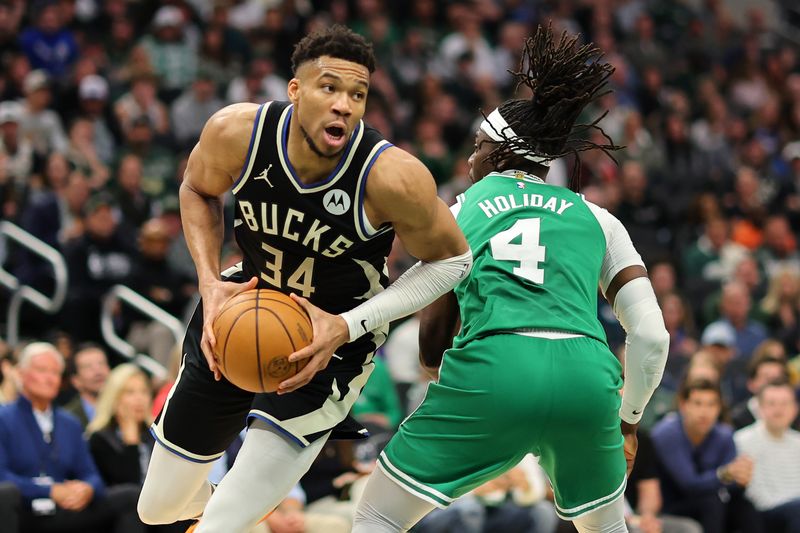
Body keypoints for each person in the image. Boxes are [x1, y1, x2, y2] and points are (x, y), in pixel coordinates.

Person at [137, 25, 470, 533]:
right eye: (329, 88)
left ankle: (236, 510)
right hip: (240, 310)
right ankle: (235, 505)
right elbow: (197, 188)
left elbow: (452, 262)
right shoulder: (237, 132)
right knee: (156, 509)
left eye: (357, 94)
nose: (344, 105)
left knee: (219, 528)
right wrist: (208, 280)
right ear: (295, 90)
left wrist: (352, 324)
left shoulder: (392, 176)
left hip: (328, 346)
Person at [352, 27, 669, 533]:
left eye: (478, 148)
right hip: (586, 379)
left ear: (501, 154)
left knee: (377, 514)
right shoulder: (599, 218)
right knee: (606, 528)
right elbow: (652, 337)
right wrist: (627, 422)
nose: (470, 160)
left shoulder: (462, 209)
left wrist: (439, 372)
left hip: (494, 371)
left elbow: (435, 322)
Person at [0, 342, 142, 533]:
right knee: (6, 494)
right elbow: (2, 476)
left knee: (130, 497)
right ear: (22, 374)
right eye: (42, 370)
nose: (49, 379)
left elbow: (92, 475)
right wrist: (50, 491)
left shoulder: (70, 423)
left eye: (55, 373)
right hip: (24, 510)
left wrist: (87, 489)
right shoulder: (4, 418)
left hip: (63, 510)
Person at [651, 379, 763, 533]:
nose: (705, 412)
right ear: (683, 406)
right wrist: (725, 475)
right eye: (698, 404)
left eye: (711, 405)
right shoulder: (667, 434)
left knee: (745, 506)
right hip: (670, 507)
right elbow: (689, 484)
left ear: (719, 408)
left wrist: (741, 478)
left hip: (711, 503)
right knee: (711, 501)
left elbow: (733, 483)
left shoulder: (724, 434)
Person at [734, 380, 800, 533]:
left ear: (795, 408)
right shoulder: (742, 440)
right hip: (766, 514)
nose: (779, 410)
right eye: (772, 403)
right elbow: (753, 494)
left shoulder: (798, 441)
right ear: (760, 408)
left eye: (785, 404)